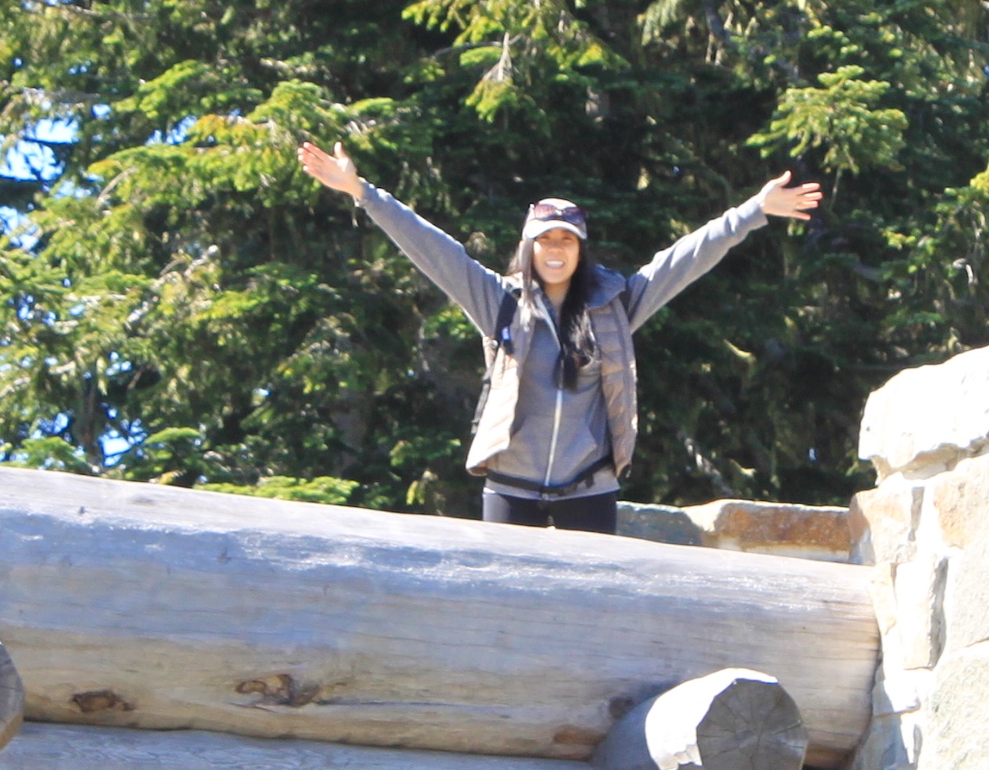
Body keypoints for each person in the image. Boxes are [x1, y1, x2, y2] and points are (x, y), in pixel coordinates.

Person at [296, 141, 825, 530]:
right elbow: (434, 249)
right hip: (510, 492)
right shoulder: (498, 301)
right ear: (528, 247)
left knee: (590, 617)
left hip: (588, 491)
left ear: (580, 249)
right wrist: (361, 192)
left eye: (566, 240)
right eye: (544, 239)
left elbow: (680, 261)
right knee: (505, 612)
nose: (555, 248)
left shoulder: (614, 305)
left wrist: (752, 212)